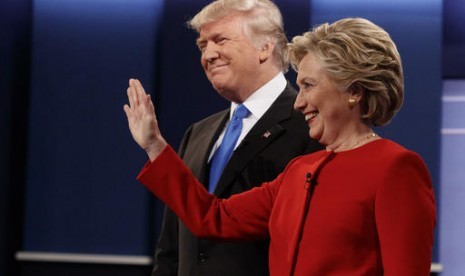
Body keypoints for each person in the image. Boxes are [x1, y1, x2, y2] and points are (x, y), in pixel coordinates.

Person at [124, 17, 436, 275]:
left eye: (309, 86)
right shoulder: (299, 171)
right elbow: (212, 218)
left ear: (353, 91)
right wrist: (154, 146)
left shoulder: (396, 168)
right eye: (298, 87)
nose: (299, 103)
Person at [136, 0, 323, 275]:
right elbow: (172, 247)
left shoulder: (310, 126)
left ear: (265, 47)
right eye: (202, 45)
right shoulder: (198, 133)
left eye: (220, 40)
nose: (208, 55)